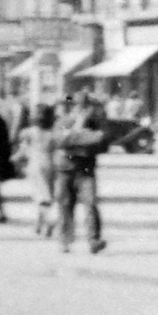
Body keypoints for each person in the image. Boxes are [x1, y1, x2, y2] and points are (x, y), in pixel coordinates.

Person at [53, 96, 110, 254]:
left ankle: (94, 239)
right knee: (65, 205)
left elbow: (101, 141)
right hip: (65, 170)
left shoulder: (95, 124)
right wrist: (80, 132)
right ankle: (65, 240)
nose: (85, 110)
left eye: (87, 107)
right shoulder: (62, 122)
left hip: (86, 170)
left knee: (91, 203)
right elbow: (60, 141)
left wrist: (74, 139)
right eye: (80, 107)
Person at [15, 103, 59, 236]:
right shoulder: (53, 134)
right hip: (51, 165)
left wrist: (14, 158)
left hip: (35, 165)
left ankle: (49, 221)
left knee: (40, 196)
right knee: (46, 195)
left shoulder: (28, 133)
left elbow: (22, 151)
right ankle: (38, 225)